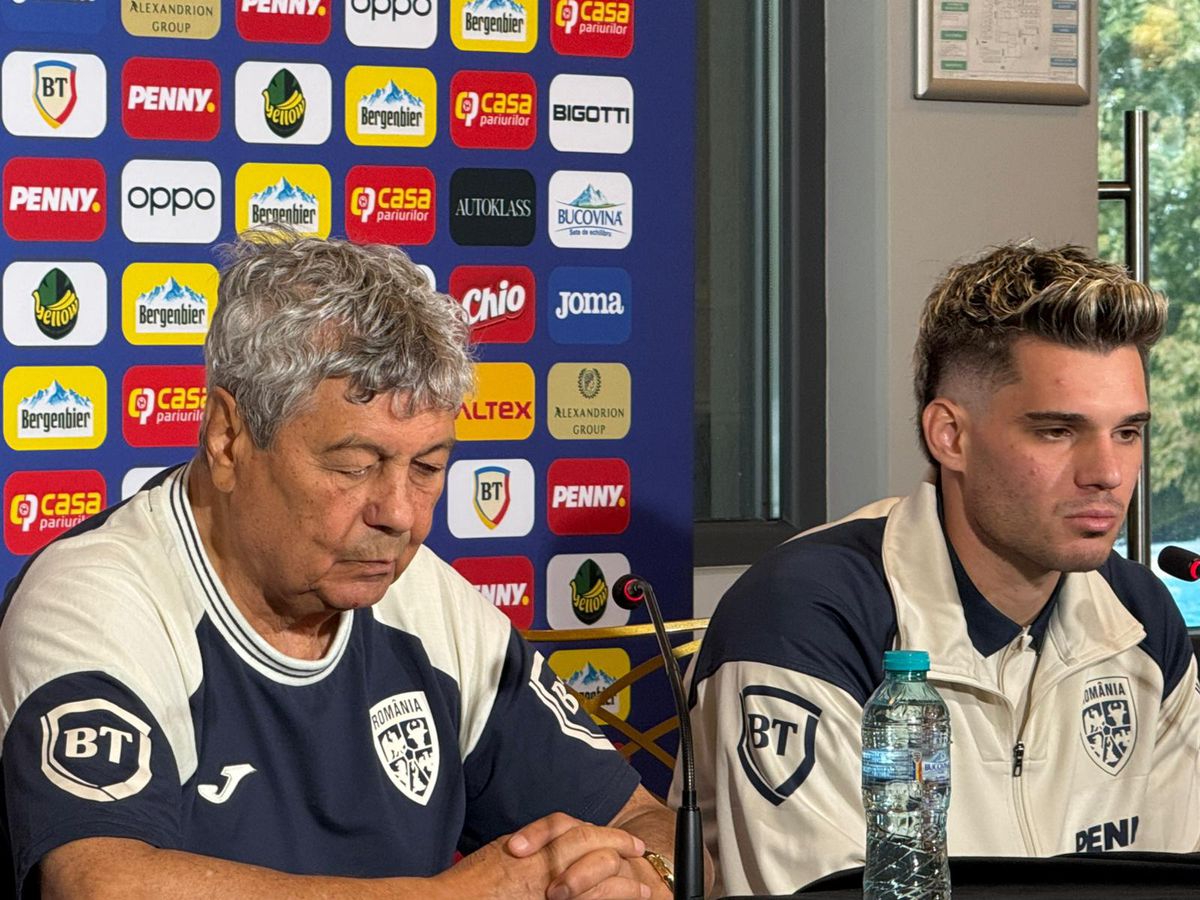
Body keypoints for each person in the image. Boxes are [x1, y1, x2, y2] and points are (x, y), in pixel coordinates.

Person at [0, 229, 690, 899]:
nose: (400, 514)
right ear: (227, 436)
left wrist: (637, 874)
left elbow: (644, 822)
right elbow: (100, 884)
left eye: (427, 468)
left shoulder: (428, 602)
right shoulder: (99, 597)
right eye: (356, 466)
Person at [676, 243, 1200, 895]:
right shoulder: (801, 617)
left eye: (1128, 432)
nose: (1108, 473)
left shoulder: (1144, 618)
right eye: (1057, 431)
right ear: (950, 436)